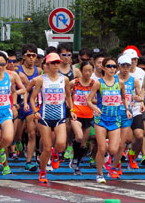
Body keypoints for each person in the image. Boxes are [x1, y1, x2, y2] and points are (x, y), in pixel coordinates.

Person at [86, 57, 131, 183]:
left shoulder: (120, 83)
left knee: (113, 150)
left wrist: (127, 109)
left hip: (115, 119)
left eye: (114, 66)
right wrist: (95, 108)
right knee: (102, 149)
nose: (112, 69)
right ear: (104, 68)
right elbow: (88, 100)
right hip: (101, 119)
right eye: (110, 66)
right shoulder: (99, 83)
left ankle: (105, 142)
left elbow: (123, 98)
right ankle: (100, 174)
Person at [29, 53, 72, 183]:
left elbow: (69, 96)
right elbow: (32, 98)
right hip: (45, 116)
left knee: (61, 144)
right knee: (46, 148)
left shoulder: (64, 79)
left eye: (57, 62)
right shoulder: (41, 80)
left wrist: (73, 109)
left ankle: (55, 154)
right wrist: (35, 111)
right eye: (52, 63)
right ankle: (42, 171)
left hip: (60, 116)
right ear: (46, 65)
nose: (55, 65)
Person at [116, 55, 145, 170]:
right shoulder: (114, 79)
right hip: (119, 111)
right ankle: (116, 160)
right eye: (123, 65)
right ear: (119, 65)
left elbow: (139, 94)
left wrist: (139, 99)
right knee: (126, 139)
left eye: (128, 65)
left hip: (134, 110)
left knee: (139, 136)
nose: (126, 68)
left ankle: (132, 155)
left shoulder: (134, 80)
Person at [16, 44, 40, 171]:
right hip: (18, 105)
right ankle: (15, 145)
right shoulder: (17, 70)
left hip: (31, 106)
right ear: (24, 56)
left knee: (32, 133)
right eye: (28, 55)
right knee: (15, 136)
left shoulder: (39, 71)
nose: (31, 58)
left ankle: (29, 161)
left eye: (33, 55)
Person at [70, 61, 95, 175]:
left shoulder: (94, 84)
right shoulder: (74, 82)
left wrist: (89, 99)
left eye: (90, 71)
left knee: (83, 144)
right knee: (79, 137)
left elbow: (99, 100)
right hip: (76, 114)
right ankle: (74, 159)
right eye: (85, 70)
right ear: (81, 70)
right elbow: (65, 93)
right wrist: (70, 107)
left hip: (88, 116)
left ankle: (77, 163)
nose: (88, 73)